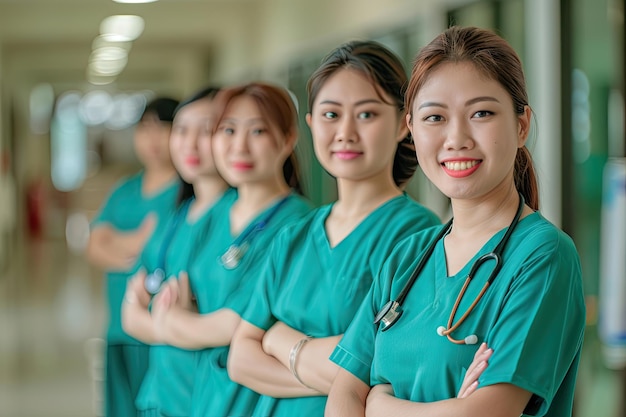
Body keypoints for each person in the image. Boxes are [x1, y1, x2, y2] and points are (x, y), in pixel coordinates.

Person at [325, 26, 586, 417]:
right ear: (411, 129)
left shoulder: (543, 256)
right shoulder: (407, 257)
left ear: (521, 125)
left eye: (481, 113)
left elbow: (484, 412)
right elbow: (342, 397)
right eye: (435, 117)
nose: (456, 138)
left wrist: (380, 404)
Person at [227, 40, 441, 417]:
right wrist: (333, 368)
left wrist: (278, 339)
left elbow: (386, 370)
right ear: (310, 124)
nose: (345, 132)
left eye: (367, 115)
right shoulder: (294, 234)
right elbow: (239, 359)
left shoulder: (416, 235)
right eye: (330, 115)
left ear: (403, 124)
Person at [151, 82, 312, 417]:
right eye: (227, 130)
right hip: (197, 394)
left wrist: (169, 322)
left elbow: (236, 324)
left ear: (287, 140)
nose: (239, 146)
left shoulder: (296, 224)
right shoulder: (214, 214)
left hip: (251, 399)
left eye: (257, 131)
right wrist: (176, 320)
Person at [121, 86, 235, 417]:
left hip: (210, 396)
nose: (190, 143)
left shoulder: (240, 218)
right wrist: (176, 324)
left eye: (207, 130)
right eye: (182, 130)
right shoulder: (176, 218)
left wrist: (158, 321)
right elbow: (130, 314)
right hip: (163, 392)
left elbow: (237, 324)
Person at [86, 96, 180, 417]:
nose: (153, 138)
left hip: (161, 331)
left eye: (163, 128)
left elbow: (113, 242)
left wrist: (116, 240)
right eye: (145, 128)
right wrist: (137, 243)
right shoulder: (124, 189)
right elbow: (94, 246)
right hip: (117, 328)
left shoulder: (188, 191)